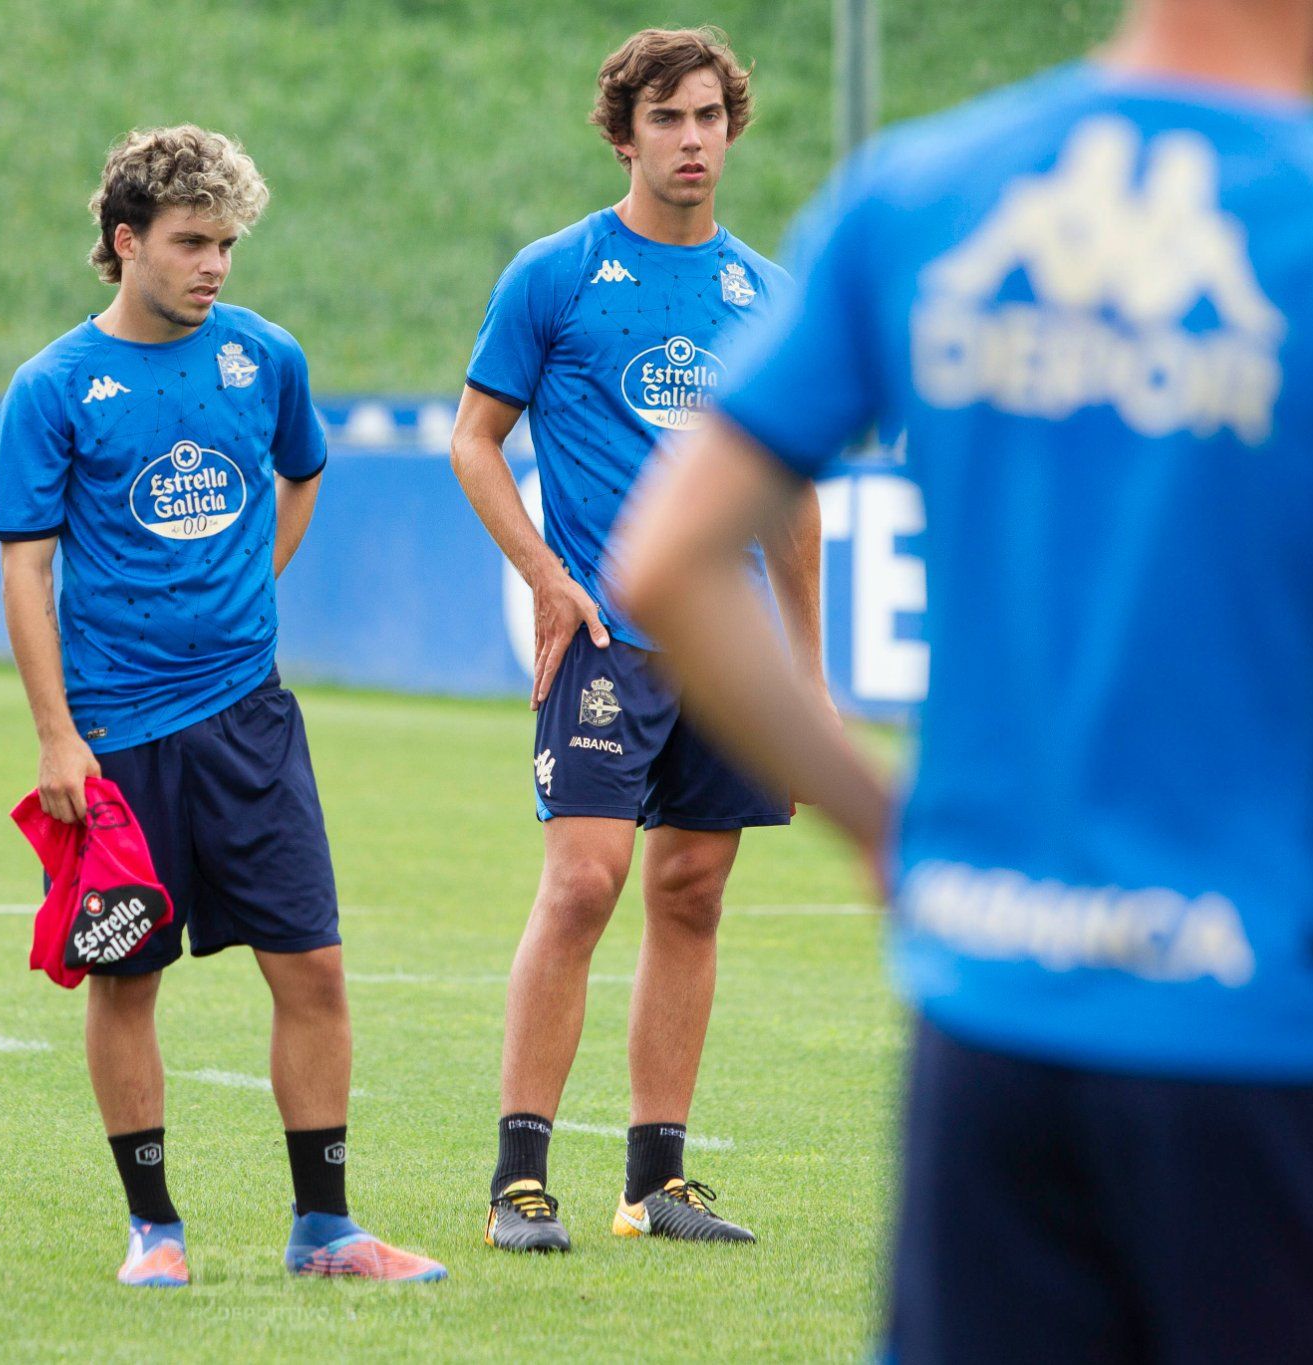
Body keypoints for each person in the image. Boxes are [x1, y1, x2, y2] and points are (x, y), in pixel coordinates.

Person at [607, 0, 1313, 1356]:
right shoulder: (1309, 217)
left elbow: (668, 558)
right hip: (1268, 1040)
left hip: (989, 1020)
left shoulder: (926, 190)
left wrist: (886, 827)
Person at [0, 125, 447, 1289]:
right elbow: (25, 573)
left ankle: (326, 1230)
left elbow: (301, 478)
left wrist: (250, 584)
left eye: (228, 244)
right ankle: (154, 1231)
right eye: (190, 242)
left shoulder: (266, 359)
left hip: (249, 720)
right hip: (115, 740)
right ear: (123, 240)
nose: (214, 266)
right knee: (126, 978)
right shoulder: (51, 388)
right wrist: (56, 735)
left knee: (313, 969)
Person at [450, 27, 824, 1252]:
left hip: (729, 646)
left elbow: (791, 493)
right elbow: (473, 439)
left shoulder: (765, 295)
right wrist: (547, 580)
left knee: (693, 887)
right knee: (584, 881)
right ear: (623, 134)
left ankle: (656, 1180)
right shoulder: (554, 275)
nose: (692, 140)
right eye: (666, 118)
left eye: (710, 116)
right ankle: (517, 1182)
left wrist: (806, 679)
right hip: (606, 632)